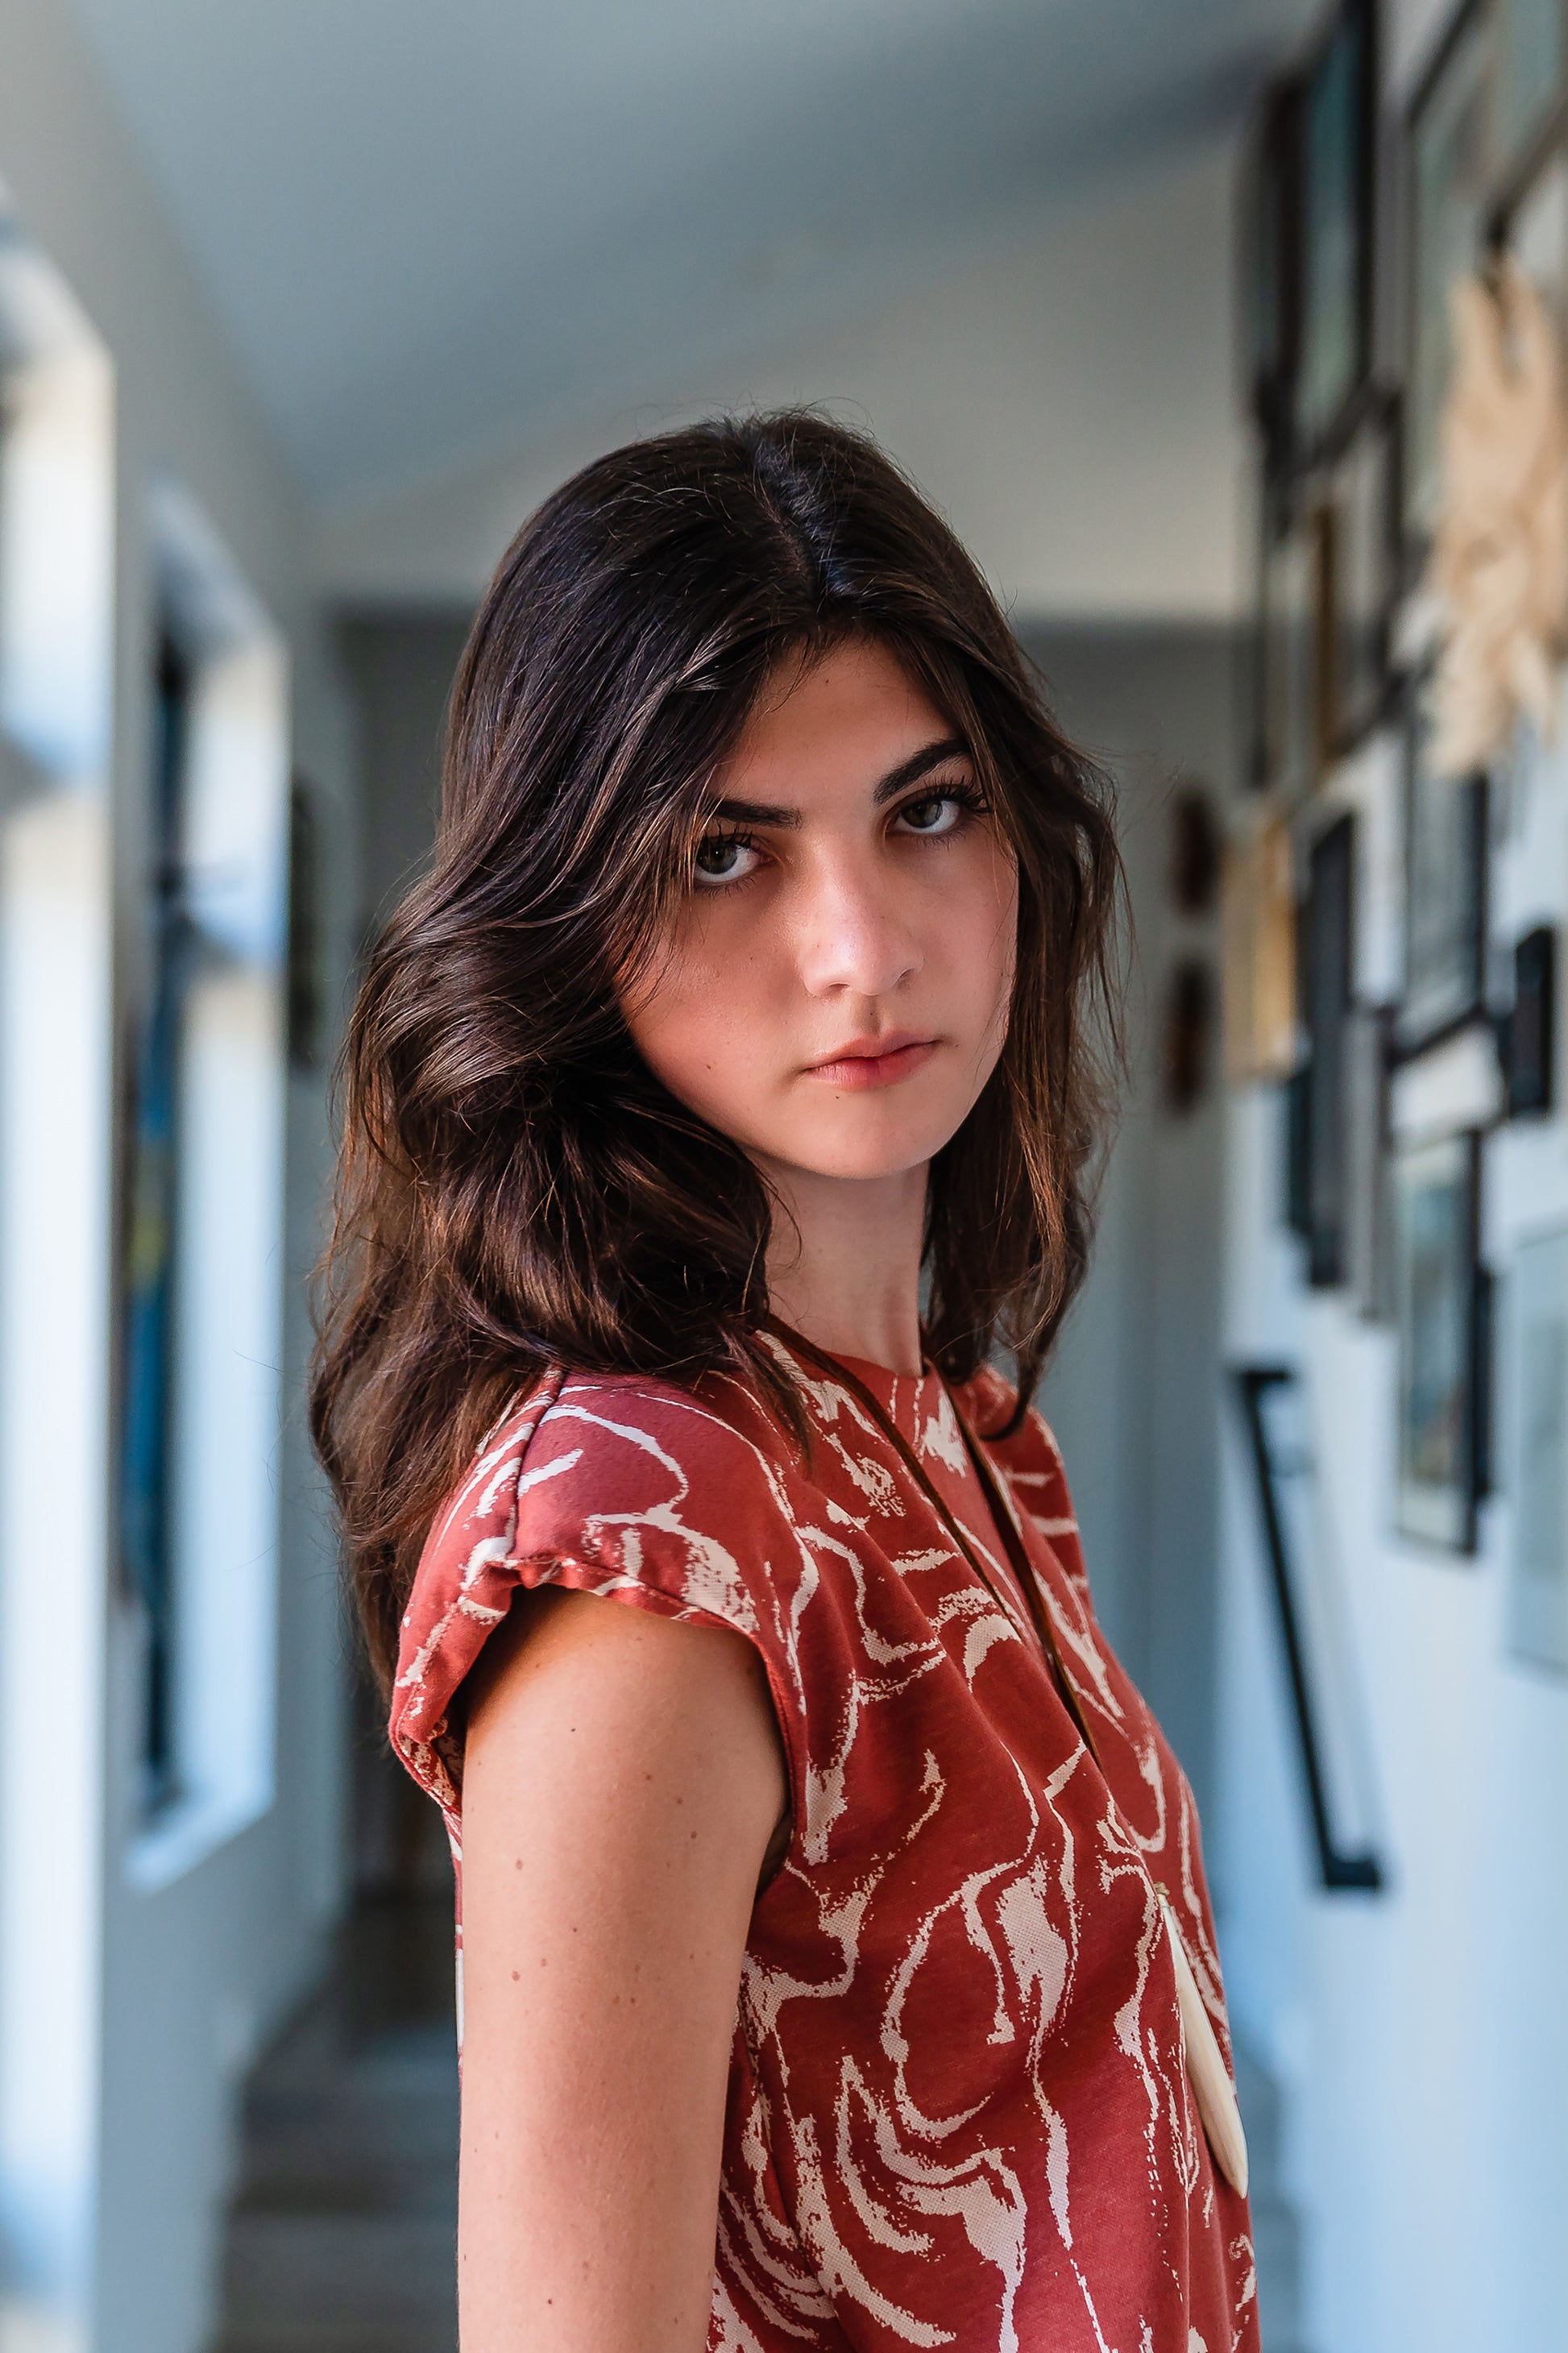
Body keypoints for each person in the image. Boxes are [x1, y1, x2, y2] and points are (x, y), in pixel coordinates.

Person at [312, 412, 1258, 2353]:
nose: (862, 950)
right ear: (575, 919)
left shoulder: (965, 1435)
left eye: (925, 809)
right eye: (725, 852)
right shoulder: (641, 1541)